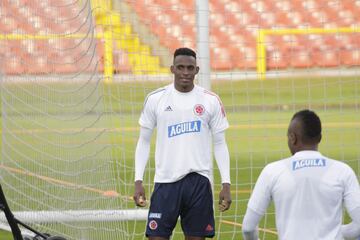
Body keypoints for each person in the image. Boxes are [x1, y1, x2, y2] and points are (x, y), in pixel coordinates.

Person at [133, 47, 232, 240]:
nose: (185, 72)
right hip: (165, 182)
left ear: (197, 70)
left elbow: (220, 143)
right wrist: (138, 181)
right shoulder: (156, 99)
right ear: (172, 69)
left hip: (199, 181)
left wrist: (226, 183)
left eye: (190, 68)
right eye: (180, 67)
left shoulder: (210, 100)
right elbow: (143, 141)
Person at [242, 109, 360, 240]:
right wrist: (338, 232)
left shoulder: (272, 171)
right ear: (320, 138)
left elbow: (248, 228)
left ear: (293, 138)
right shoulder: (342, 171)